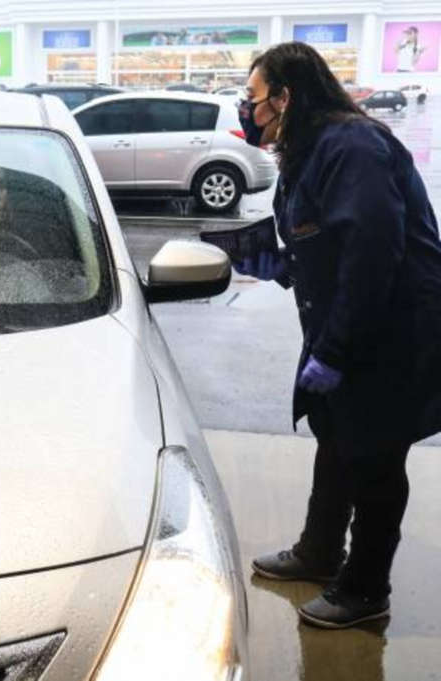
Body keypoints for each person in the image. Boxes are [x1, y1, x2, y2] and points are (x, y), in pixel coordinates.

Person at [238, 42, 441, 629]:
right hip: (347, 318)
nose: (249, 111)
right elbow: (317, 240)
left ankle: (365, 587)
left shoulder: (352, 146)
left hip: (390, 329)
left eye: (254, 99)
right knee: (335, 431)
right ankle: (320, 551)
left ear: (285, 95)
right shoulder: (304, 151)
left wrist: (334, 350)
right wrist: (274, 262)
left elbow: (373, 253)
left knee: (374, 454)